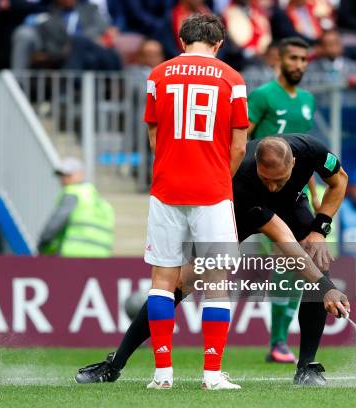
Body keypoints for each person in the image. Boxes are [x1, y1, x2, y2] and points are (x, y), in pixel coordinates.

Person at [75, 134, 350, 387]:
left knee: (318, 259)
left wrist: (319, 229)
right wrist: (327, 288)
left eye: (279, 180)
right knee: (182, 282)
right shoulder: (241, 177)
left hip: (292, 204)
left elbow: (340, 181)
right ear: (256, 166)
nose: (273, 186)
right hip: (240, 212)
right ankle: (115, 364)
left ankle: (306, 368)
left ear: (294, 164)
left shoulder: (311, 150)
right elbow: (284, 239)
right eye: (266, 179)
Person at [143, 13, 249, 390]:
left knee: (162, 279)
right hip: (212, 191)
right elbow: (239, 145)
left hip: (167, 188)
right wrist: (219, 177)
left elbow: (154, 135)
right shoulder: (233, 80)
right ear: (218, 44)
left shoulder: (157, 75)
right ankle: (211, 375)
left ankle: (162, 374)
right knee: (216, 280)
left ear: (181, 41)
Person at [246, 36, 319, 363]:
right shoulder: (262, 96)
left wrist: (313, 191)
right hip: (263, 193)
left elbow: (304, 154)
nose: (299, 65)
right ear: (278, 59)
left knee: (302, 264)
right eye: (293, 58)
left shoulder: (307, 100)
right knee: (286, 261)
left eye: (304, 59)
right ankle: (278, 342)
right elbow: (240, 142)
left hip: (296, 194)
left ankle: (281, 342)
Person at [38, 157, 115, 257]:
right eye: (61, 176)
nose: (63, 179)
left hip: (74, 255)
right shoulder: (102, 203)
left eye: (68, 175)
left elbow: (55, 225)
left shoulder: (73, 193)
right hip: (101, 257)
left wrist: (43, 243)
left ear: (80, 175)